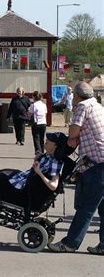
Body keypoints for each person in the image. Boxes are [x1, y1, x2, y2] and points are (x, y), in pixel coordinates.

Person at [48, 82, 104, 255]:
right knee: (102, 208)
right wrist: (78, 137)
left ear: (78, 96)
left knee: (86, 207)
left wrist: (75, 137)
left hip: (96, 163)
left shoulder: (82, 106)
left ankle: (70, 243)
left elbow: (73, 132)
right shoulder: (98, 106)